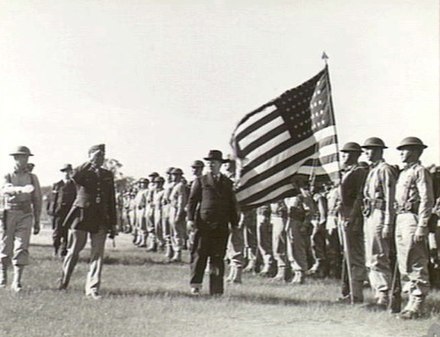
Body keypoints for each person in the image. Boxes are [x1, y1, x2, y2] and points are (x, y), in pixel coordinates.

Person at [58, 144, 117, 299]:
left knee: (97, 253)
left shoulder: (107, 174)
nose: (100, 158)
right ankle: (64, 282)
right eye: (97, 155)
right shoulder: (83, 171)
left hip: (100, 216)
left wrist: (113, 222)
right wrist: (89, 162)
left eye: (102, 156)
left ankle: (92, 289)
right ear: (90, 156)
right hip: (82, 214)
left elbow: (111, 198)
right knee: (74, 250)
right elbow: (75, 176)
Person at [187, 150, 239, 295]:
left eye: (214, 162)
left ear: (220, 165)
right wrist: (190, 219)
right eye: (209, 162)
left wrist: (234, 223)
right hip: (204, 225)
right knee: (199, 254)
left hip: (221, 226)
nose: (211, 165)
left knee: (217, 257)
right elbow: (192, 202)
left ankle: (216, 289)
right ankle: (196, 285)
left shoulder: (227, 183)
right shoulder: (201, 181)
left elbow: (232, 204)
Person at [394, 137, 434, 319]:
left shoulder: (420, 171)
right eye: (400, 150)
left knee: (415, 259)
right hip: (400, 216)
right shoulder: (403, 173)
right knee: (404, 261)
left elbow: (427, 199)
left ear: (416, 151)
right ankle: (410, 300)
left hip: (412, 217)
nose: (401, 153)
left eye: (405, 149)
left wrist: (422, 225)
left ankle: (417, 302)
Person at [0, 146, 42, 292]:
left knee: (21, 247)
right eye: (20, 157)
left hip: (25, 214)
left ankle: (17, 281)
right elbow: (4, 189)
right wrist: (19, 189)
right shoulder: (8, 175)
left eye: (26, 157)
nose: (23, 160)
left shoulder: (32, 177)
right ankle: (3, 277)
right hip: (9, 212)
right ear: (15, 158)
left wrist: (37, 220)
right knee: (5, 246)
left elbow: (37, 199)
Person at [361, 137, 396, 309]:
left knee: (378, 255)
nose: (367, 152)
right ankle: (377, 293)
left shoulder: (384, 169)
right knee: (371, 256)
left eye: (370, 149)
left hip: (381, 213)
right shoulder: (372, 170)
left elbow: (390, 197)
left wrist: (389, 221)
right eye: (366, 149)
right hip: (370, 213)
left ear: (380, 151)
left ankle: (383, 295)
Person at [337, 142, 368, 303]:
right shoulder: (345, 172)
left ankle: (357, 294)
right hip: (343, 214)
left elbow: (359, 197)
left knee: (354, 255)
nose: (343, 155)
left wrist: (353, 217)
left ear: (356, 155)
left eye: (347, 153)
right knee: (347, 254)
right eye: (343, 153)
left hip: (352, 216)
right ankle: (346, 291)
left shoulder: (359, 172)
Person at [47, 164, 77, 257]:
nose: (66, 173)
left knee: (66, 233)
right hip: (58, 213)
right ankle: (56, 249)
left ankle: (63, 252)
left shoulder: (74, 185)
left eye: (68, 171)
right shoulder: (57, 185)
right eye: (64, 171)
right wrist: (51, 211)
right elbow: (52, 199)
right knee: (57, 233)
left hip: (70, 212)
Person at [168, 168, 188, 262]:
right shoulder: (174, 186)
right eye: (173, 175)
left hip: (176, 210)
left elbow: (181, 201)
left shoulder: (180, 186)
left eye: (176, 175)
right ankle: (174, 251)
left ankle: (178, 253)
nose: (174, 176)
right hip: (172, 209)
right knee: (172, 232)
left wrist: (179, 214)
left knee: (177, 232)